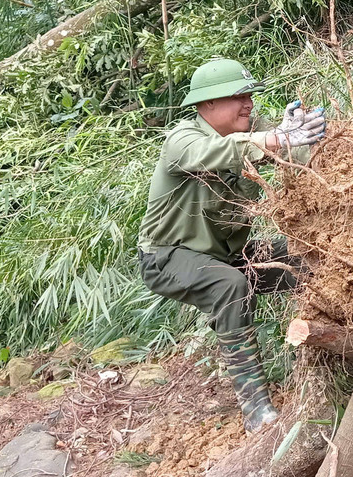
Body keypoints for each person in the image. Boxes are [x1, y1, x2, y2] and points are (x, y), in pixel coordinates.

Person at [137, 57, 326, 433]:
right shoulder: (183, 140)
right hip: (168, 256)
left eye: (249, 96)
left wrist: (310, 137)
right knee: (229, 286)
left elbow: (293, 151)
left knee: (303, 260)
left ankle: (334, 358)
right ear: (206, 104)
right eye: (237, 96)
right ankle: (256, 407)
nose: (248, 104)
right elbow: (227, 151)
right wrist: (275, 139)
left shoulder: (251, 128)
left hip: (228, 254)